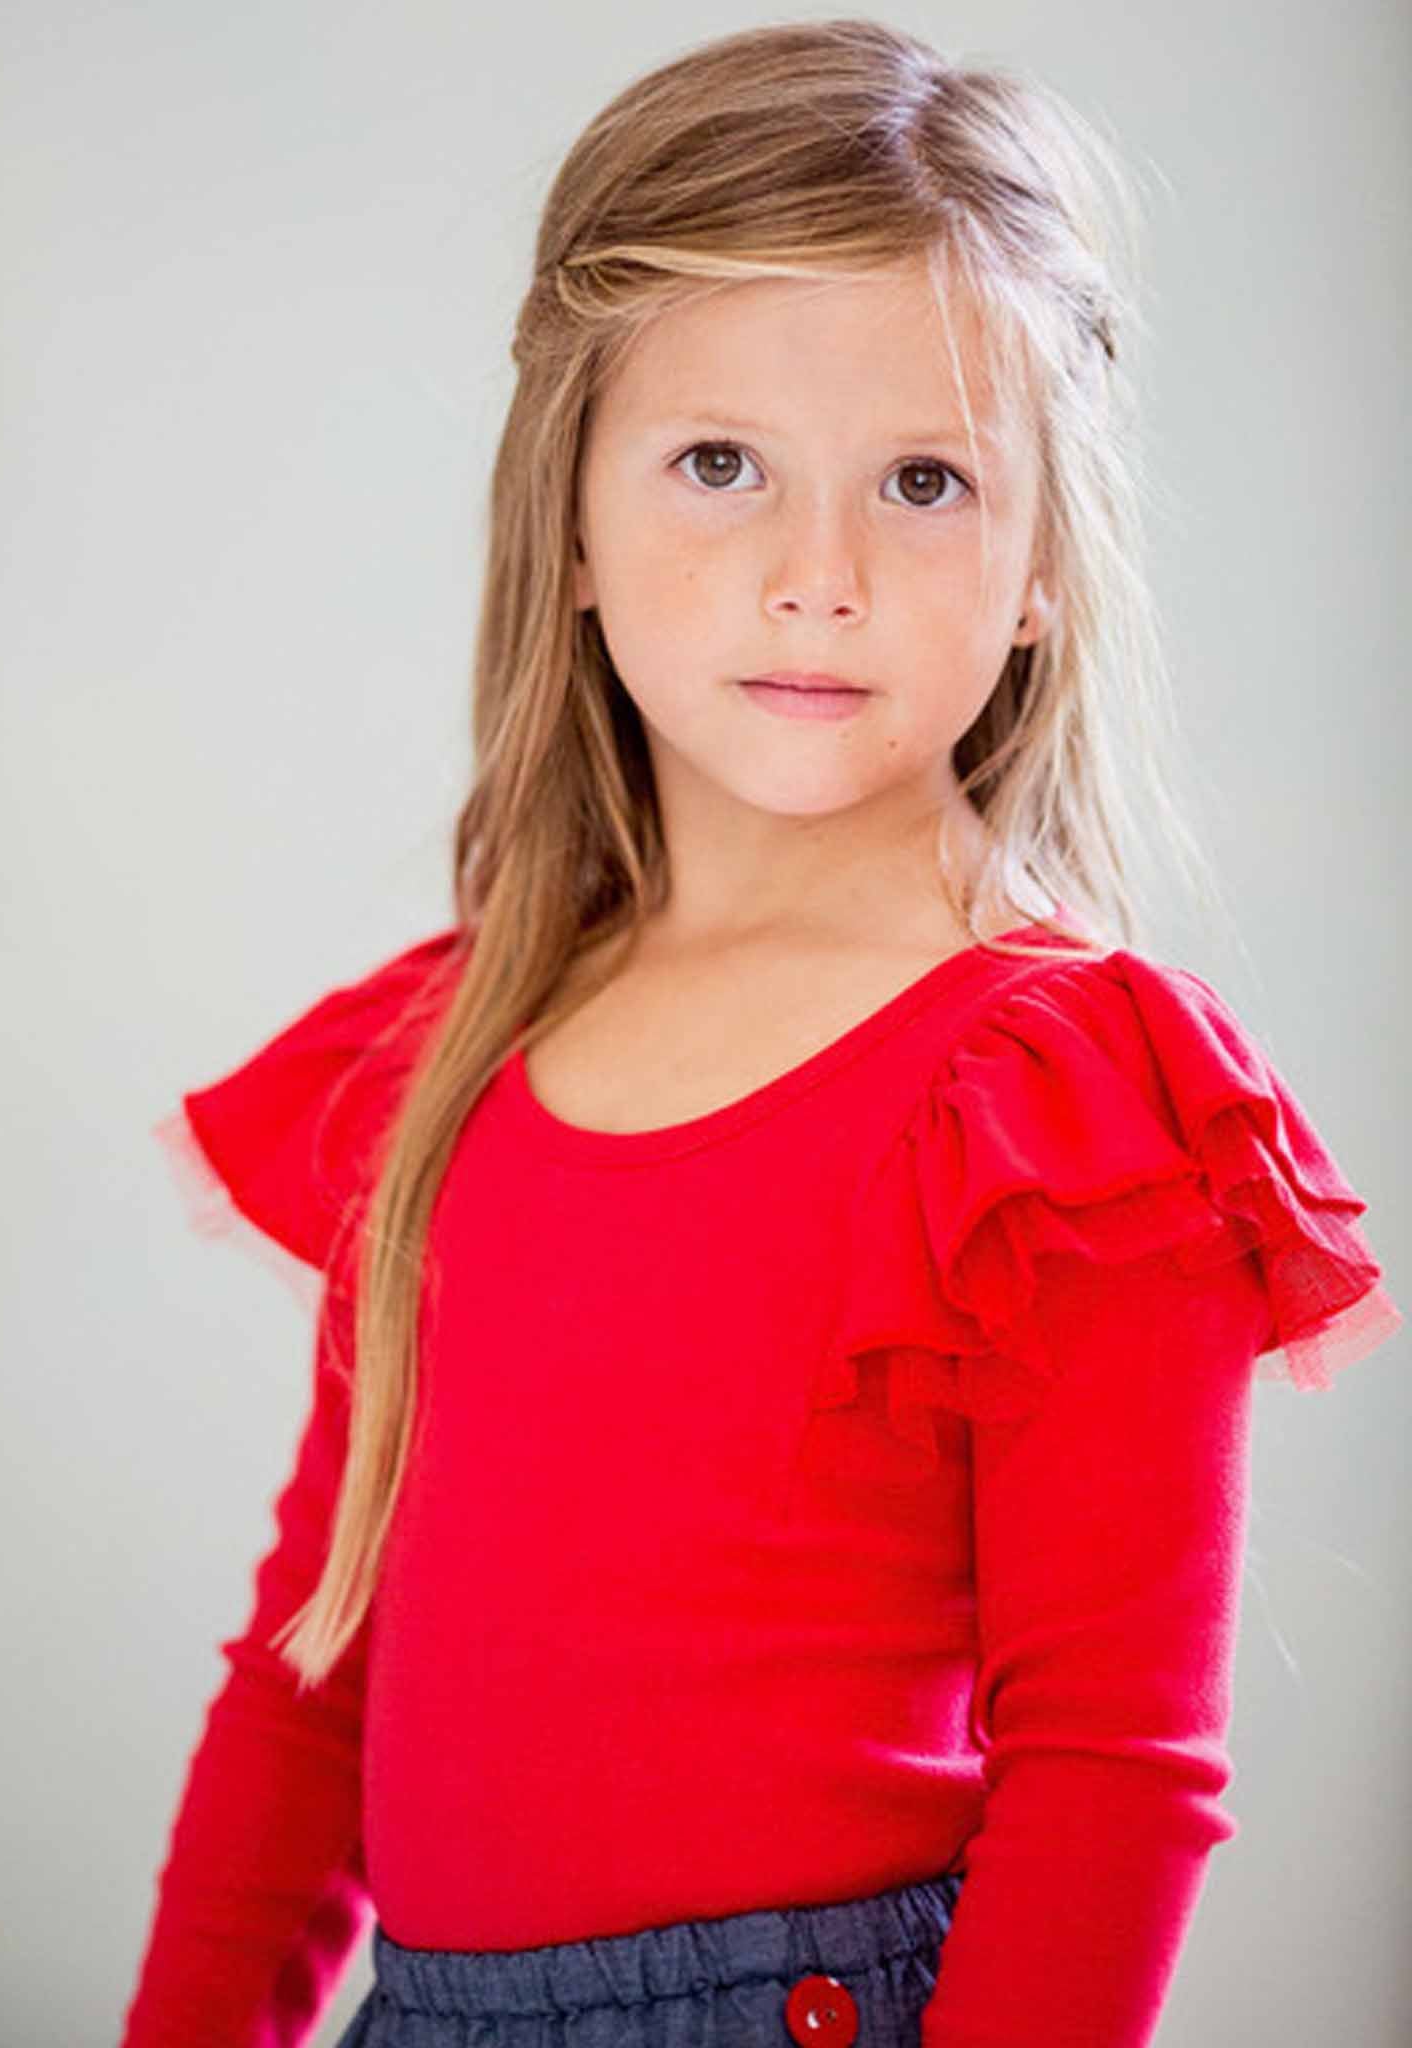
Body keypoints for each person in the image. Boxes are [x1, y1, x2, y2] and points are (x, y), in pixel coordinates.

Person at [119, 19, 1403, 2048]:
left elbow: (1112, 1777)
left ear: (1046, 561)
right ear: (573, 522)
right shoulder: (444, 1056)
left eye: (924, 480)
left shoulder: (1061, 1100)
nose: (818, 578)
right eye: (721, 465)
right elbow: (313, 1675)